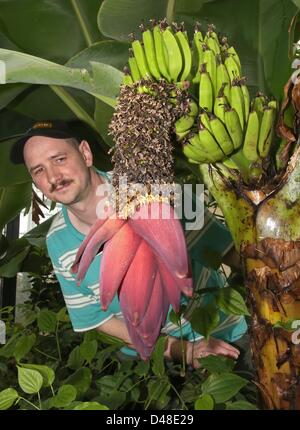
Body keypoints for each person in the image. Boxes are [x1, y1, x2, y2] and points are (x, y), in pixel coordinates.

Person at [10, 120, 248, 368]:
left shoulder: (155, 192)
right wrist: (184, 351)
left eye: (59, 159)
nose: (53, 177)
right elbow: (96, 318)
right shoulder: (58, 240)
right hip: (151, 358)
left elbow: (228, 251)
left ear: (85, 154)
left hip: (224, 339)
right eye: (38, 170)